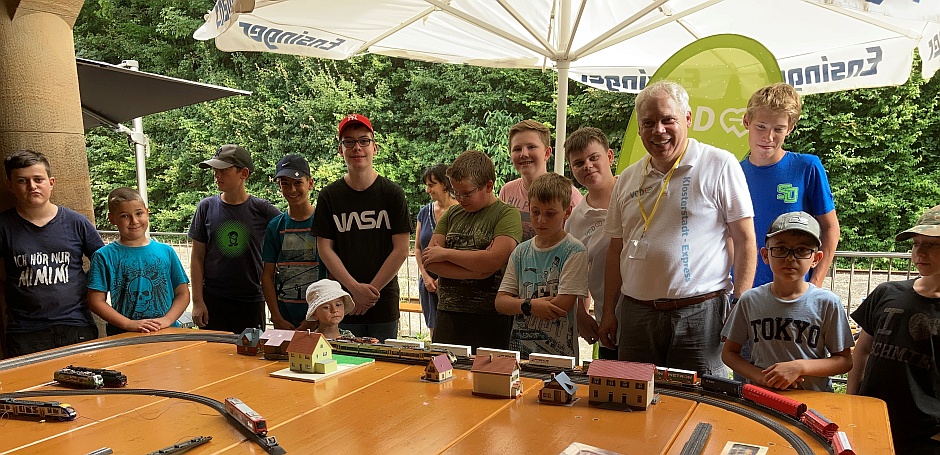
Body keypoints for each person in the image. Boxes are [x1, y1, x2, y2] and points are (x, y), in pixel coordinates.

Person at [598, 80, 756, 376]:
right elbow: (615, 249)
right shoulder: (628, 178)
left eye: (667, 119)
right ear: (640, 128)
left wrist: (740, 304)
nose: (658, 130)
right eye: (648, 123)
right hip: (636, 315)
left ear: (687, 118)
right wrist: (609, 310)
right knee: (636, 397)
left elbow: (745, 239)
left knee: (700, 400)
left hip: (701, 314)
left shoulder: (719, 164)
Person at [721, 211, 853, 391]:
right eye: (781, 249)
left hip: (813, 398)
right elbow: (729, 353)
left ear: (816, 258)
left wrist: (800, 367)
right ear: (765, 255)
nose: (790, 258)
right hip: (763, 396)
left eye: (802, 250)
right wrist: (760, 377)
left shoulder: (827, 303)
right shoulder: (750, 300)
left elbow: (844, 360)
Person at [849, 204, 940, 453]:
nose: (920, 252)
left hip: (926, 436)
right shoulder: (887, 292)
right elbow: (862, 351)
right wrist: (852, 401)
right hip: (871, 420)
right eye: (916, 243)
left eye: (932, 244)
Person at [312, 114, 411, 342]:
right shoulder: (329, 196)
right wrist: (353, 290)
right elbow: (325, 249)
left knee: (382, 361)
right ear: (341, 150)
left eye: (363, 141)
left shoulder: (393, 193)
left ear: (374, 147)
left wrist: (369, 293)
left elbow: (401, 249)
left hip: (382, 301)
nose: (357, 148)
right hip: (341, 303)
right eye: (349, 142)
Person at [0, 150, 104, 357]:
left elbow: (104, 262)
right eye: (22, 181)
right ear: (10, 185)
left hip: (76, 324)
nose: (32, 186)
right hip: (24, 331)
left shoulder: (77, 223)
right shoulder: (3, 226)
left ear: (51, 182)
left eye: (38, 179)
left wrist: (90, 289)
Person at [741, 82, 839, 289]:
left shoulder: (806, 167)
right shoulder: (732, 172)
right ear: (746, 121)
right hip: (743, 292)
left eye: (778, 129)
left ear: (790, 128)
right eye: (761, 126)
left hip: (794, 292)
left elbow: (830, 227)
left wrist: (815, 284)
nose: (768, 137)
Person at [422, 150, 522, 351]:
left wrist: (447, 254)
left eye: (467, 193)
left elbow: (493, 260)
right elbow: (430, 261)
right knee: (443, 368)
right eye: (456, 192)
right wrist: (478, 271)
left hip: (491, 317)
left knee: (487, 370)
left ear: (489, 186)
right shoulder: (452, 213)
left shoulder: (506, 214)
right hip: (448, 314)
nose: (460, 198)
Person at [188, 144, 280, 334]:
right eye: (215, 170)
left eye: (223, 170)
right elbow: (197, 257)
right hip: (213, 299)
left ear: (243, 173)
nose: (217, 175)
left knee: (250, 350)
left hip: (251, 300)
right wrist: (197, 301)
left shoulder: (262, 210)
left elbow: (289, 231)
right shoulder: (206, 207)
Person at [495, 173, 588, 360]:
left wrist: (520, 304)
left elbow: (562, 305)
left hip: (560, 356)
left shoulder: (574, 251)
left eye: (550, 214)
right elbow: (500, 302)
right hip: (521, 355)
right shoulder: (520, 251)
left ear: (567, 212)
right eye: (535, 212)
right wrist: (530, 305)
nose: (541, 220)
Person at [87, 187, 191, 335]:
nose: (134, 221)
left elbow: (183, 293)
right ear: (112, 219)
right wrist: (128, 324)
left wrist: (167, 320)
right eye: (124, 216)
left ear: (147, 213)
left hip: (167, 332)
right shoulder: (103, 256)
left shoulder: (166, 252)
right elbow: (95, 301)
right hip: (124, 335)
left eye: (139, 213)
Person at [564, 127, 620, 360]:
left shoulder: (635, 194)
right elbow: (575, 272)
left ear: (609, 156)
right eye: (579, 163)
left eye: (593, 157)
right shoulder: (576, 220)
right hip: (610, 323)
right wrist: (580, 312)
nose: (587, 166)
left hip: (648, 315)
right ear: (572, 170)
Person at [262, 154, 325, 330]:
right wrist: (277, 317)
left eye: (298, 183)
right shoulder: (275, 226)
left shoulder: (324, 223)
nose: (292, 190)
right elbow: (267, 276)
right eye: (285, 184)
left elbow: (333, 274)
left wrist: (315, 316)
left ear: (310, 183)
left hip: (320, 317)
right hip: (285, 319)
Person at [499, 119, 582, 241]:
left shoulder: (569, 195)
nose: (524, 154)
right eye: (517, 149)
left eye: (531, 147)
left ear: (547, 153)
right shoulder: (507, 191)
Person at [414, 164, 457, 340]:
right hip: (429, 284)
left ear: (445, 184)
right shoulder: (424, 213)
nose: (428, 190)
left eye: (432, 185)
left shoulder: (461, 211)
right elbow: (418, 248)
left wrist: (445, 278)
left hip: (454, 284)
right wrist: (425, 276)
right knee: (435, 334)